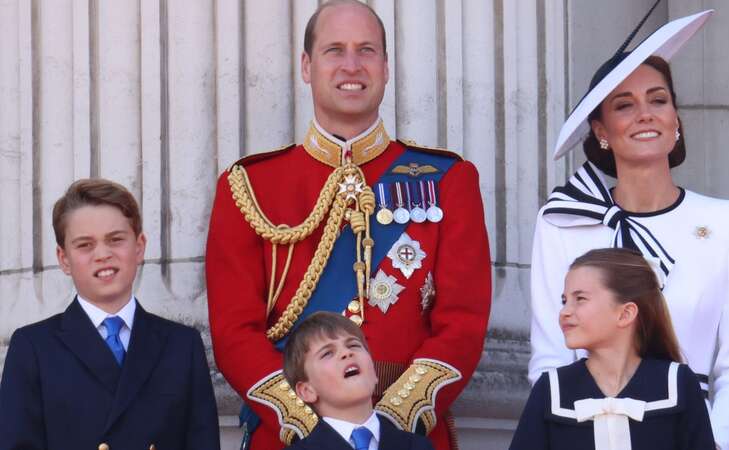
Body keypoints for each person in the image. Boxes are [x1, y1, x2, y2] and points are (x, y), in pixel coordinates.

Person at [205, 1, 491, 449]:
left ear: (386, 66)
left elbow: (463, 323)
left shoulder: (448, 180)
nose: (351, 65)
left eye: (367, 50)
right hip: (291, 436)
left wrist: (390, 424)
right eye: (334, 50)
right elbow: (233, 332)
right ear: (307, 66)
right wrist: (310, 425)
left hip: (408, 434)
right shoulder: (250, 186)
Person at [528, 5, 729, 450]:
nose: (645, 114)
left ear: (676, 119)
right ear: (601, 130)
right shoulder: (563, 221)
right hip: (586, 430)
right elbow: (551, 358)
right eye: (624, 105)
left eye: (658, 99)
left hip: (691, 432)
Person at [0, 179, 220, 450]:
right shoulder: (33, 347)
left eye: (115, 240)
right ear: (63, 258)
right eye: (85, 245)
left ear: (139, 246)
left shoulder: (182, 345)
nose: (102, 254)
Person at [512, 248, 715, 450]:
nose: (564, 312)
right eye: (564, 301)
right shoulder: (552, 388)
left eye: (580, 299)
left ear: (625, 314)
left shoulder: (677, 384)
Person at [282, 311, 434, 450]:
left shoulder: (418, 446)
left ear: (374, 373)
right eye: (327, 353)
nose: (346, 353)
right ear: (307, 391)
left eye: (353, 345)